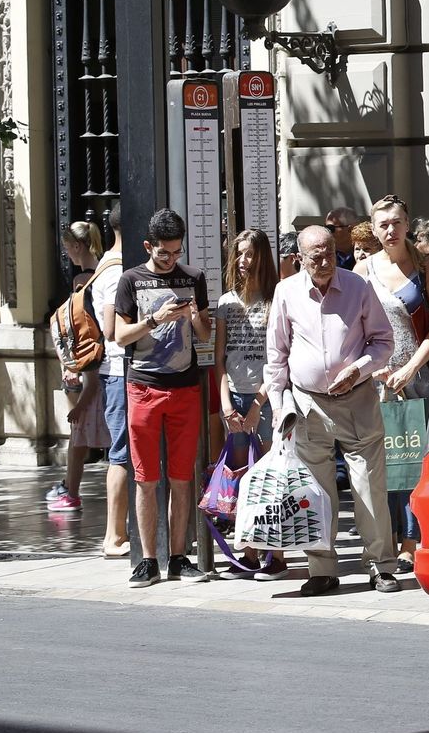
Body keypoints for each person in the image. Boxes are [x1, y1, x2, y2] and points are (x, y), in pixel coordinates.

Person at [265, 225, 400, 596]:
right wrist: (277, 405)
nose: (324, 261)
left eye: (328, 253)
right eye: (316, 256)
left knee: (369, 487)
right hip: (308, 403)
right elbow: (276, 355)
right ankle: (322, 570)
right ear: (300, 258)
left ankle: (381, 566)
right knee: (316, 491)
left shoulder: (358, 287)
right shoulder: (286, 292)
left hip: (357, 399)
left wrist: (359, 368)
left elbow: (383, 341)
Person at [113, 209, 212, 588]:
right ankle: (148, 560)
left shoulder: (194, 278)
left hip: (185, 387)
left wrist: (194, 316)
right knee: (145, 478)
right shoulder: (131, 280)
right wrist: (156, 319)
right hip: (143, 387)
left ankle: (179, 557)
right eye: (164, 253)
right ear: (148, 246)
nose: (171, 259)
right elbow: (119, 337)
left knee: (182, 477)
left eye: (177, 252)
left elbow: (204, 334)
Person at [360, 195, 429, 571]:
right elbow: (355, 327)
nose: (391, 230)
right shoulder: (363, 270)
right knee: (385, 463)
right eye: (383, 224)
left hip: (420, 376)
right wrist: (372, 368)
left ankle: (412, 541)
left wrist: (411, 367)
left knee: (415, 462)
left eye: (396, 222)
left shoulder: (426, 265)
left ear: (408, 224)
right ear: (374, 229)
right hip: (379, 382)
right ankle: (387, 538)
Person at [215, 229, 285, 580]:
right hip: (235, 399)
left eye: (250, 254)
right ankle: (249, 554)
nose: (244, 261)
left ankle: (276, 555)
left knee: (269, 477)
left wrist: (258, 404)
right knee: (241, 477)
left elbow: (278, 361)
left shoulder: (276, 299)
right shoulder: (226, 302)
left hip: (267, 398)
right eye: (239, 254)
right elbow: (219, 359)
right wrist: (226, 404)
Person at [48, 221, 111, 512]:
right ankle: (69, 488)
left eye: (67, 248)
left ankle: (70, 492)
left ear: (77, 246)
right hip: (106, 364)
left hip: (92, 365)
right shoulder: (103, 273)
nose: (67, 253)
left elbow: (80, 329)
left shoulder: (83, 281)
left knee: (78, 436)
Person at [91, 207, 133, 558]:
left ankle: (121, 532)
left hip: (117, 370)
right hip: (120, 369)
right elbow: (110, 328)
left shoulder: (106, 263)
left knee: (125, 451)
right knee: (121, 453)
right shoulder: (117, 270)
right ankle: (114, 536)